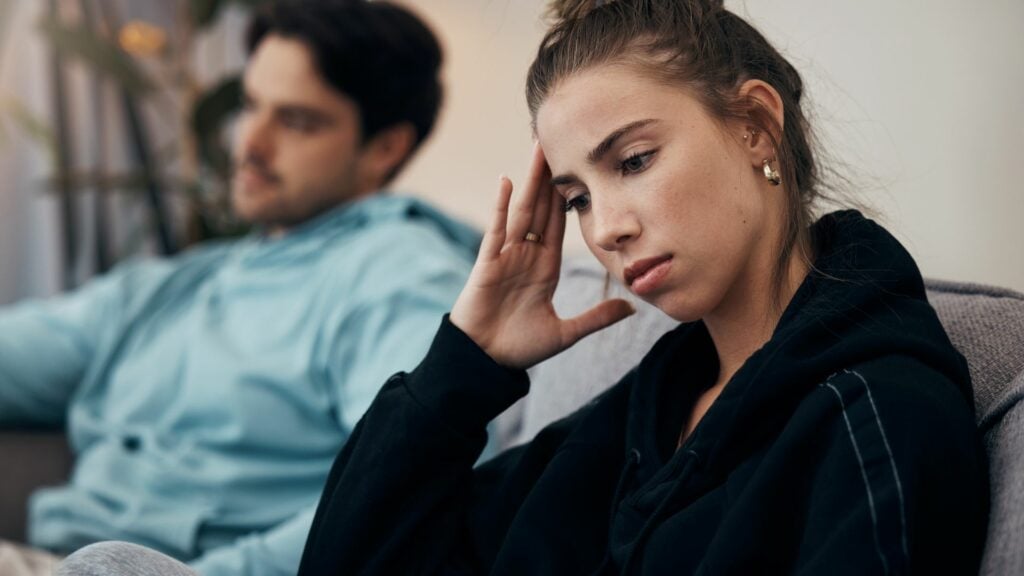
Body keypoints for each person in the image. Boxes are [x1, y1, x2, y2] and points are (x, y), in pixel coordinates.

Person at [57, 0, 989, 574]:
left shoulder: (878, 413)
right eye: (578, 195)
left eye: (634, 160)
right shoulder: (656, 403)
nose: (606, 227)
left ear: (755, 127)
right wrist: (467, 360)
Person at [0, 1, 477, 575]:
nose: (249, 142)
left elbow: (408, 486)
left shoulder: (395, 274)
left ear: (386, 147)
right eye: (251, 105)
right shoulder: (185, 282)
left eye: (296, 120)